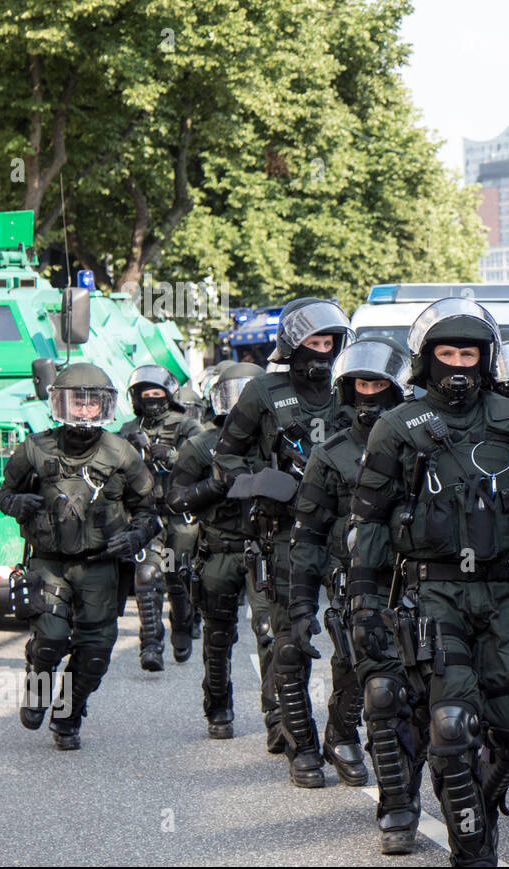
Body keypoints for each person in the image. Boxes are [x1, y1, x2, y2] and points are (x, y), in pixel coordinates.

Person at [347, 298, 509, 866]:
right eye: (447, 353)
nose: (458, 364)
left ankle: (479, 804)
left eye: (469, 353)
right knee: (451, 724)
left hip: (507, 594)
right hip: (434, 595)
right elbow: (370, 521)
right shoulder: (396, 427)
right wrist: (364, 603)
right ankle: (471, 850)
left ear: (486, 359)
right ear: (426, 359)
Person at [212, 297, 355, 780]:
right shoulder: (262, 391)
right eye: (313, 342)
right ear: (292, 345)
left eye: (329, 342)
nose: (322, 351)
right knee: (289, 641)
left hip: (347, 532)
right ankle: (298, 742)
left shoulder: (351, 386)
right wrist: (264, 484)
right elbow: (225, 457)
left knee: (360, 638)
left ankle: (342, 734)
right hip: (286, 534)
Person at [289, 338, 415, 839]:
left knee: (424, 693)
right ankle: (358, 752)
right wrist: (300, 604)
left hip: (424, 577)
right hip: (357, 582)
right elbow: (309, 533)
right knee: (366, 679)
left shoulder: (421, 439)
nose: (370, 394)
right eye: (362, 384)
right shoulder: (332, 453)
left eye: (379, 384)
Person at [2, 363, 160, 750]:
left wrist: (136, 536)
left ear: (104, 407)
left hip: (100, 568)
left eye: (93, 403)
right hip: (48, 563)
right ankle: (38, 688)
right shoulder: (34, 448)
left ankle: (68, 716)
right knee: (50, 640)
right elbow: (3, 495)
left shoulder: (122, 453)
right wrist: (17, 502)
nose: (85, 410)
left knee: (94, 654)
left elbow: (150, 512)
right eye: (78, 401)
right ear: (61, 403)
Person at [165, 362, 267, 739]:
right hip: (219, 549)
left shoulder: (277, 440)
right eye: (232, 394)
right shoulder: (201, 445)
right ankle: (219, 707)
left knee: (272, 633)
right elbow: (174, 500)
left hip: (265, 548)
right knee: (219, 635)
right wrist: (214, 486)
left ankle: (278, 719)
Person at [118, 365, 206, 669]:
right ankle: (151, 645)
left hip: (180, 515)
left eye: (157, 393)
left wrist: (171, 456)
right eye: (146, 394)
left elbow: (207, 458)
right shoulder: (129, 429)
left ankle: (182, 627)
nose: (152, 399)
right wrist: (131, 450)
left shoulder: (185, 426)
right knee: (146, 577)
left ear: (168, 395)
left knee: (177, 578)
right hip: (146, 516)